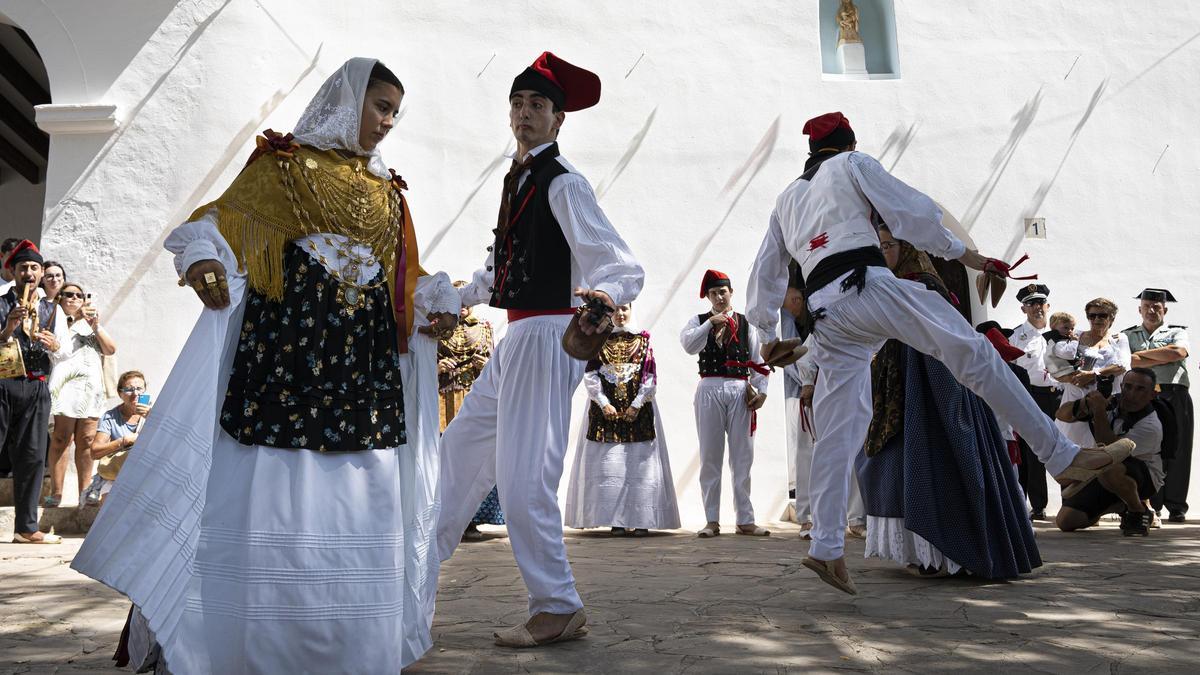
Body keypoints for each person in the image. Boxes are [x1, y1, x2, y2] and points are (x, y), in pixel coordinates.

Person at [71, 58, 459, 673]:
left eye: (394, 112)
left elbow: (403, 282)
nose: (387, 122)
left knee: (360, 497)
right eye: (380, 105)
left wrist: (434, 310)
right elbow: (212, 223)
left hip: (361, 375)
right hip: (285, 362)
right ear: (347, 98)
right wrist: (201, 260)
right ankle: (245, 643)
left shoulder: (390, 194)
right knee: (271, 492)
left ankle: (349, 647)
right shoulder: (284, 168)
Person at [745, 111, 1131, 595]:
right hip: (868, 288)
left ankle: (825, 547)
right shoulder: (852, 164)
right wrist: (966, 254)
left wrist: (763, 334)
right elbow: (909, 212)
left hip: (827, 315)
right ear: (848, 144)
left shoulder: (786, 200)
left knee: (839, 430)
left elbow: (765, 270)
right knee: (972, 352)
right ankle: (1059, 454)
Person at [436, 51, 644, 648]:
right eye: (518, 103)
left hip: (547, 336)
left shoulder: (563, 183)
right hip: (516, 338)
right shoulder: (517, 180)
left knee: (525, 478)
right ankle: (408, 580)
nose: (525, 114)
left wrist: (603, 298)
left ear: (558, 121)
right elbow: (500, 266)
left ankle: (556, 603)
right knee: (457, 459)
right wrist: (459, 299)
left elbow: (618, 261)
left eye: (538, 106)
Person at [855, 227, 1040, 578]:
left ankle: (947, 551)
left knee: (934, 461)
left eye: (889, 246)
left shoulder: (924, 286)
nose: (884, 253)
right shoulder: (891, 286)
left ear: (907, 247)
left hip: (929, 385)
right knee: (891, 467)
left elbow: (939, 342)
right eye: (880, 247)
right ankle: (920, 552)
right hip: (897, 388)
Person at [564, 303, 680, 536]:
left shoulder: (643, 341)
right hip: (604, 411)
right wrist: (603, 402)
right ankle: (615, 520)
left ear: (631, 310)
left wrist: (637, 404)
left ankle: (642, 520)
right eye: (615, 310)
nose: (620, 314)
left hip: (638, 409)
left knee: (639, 464)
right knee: (611, 464)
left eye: (624, 309)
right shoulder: (599, 340)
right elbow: (590, 373)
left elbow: (649, 376)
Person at [681, 270, 771, 538]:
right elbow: (688, 346)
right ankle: (711, 519)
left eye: (722, 292)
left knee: (743, 455)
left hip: (739, 388)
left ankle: (745, 518)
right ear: (707, 297)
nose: (719, 297)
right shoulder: (698, 322)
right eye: (713, 293)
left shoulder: (746, 324)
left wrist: (762, 391)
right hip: (709, 387)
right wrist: (710, 323)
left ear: (731, 292)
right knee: (710, 455)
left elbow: (759, 362)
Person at [1, 240, 68, 543]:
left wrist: (54, 346)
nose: (29, 273)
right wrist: (7, 328)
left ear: (41, 273)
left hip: (36, 385)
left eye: (34, 268)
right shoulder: (1, 303)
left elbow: (64, 351)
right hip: (3, 383)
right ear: (12, 271)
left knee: (31, 456)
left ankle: (26, 528)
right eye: (23, 267)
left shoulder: (52, 309)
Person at [1054, 368, 1164, 536]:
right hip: (1104, 473)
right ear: (1121, 386)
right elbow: (1062, 415)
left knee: (1109, 466)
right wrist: (1086, 403)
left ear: (1151, 395)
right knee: (1066, 521)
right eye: (1128, 387)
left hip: (1142, 478)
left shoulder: (1150, 426)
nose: (1132, 393)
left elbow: (1111, 449)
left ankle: (1137, 510)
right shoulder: (1112, 402)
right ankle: (1118, 504)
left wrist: (1098, 411)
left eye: (1140, 389)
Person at [438, 280, 503, 541]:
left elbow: (494, 361)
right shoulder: (440, 328)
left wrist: (484, 364)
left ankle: (474, 519)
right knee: (450, 452)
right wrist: (438, 366)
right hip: (445, 398)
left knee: (478, 453)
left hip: (476, 396)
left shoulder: (485, 329)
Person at [1125, 288, 1191, 524]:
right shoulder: (1127, 335)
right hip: (1142, 396)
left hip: (1174, 394)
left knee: (1177, 449)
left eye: (1157, 307)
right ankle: (1150, 503)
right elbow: (1127, 360)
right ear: (1139, 309)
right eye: (1147, 307)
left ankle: (1176, 506)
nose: (1151, 311)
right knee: (1143, 449)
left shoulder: (1177, 332)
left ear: (1165, 310)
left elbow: (1178, 352)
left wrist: (1141, 356)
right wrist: (1159, 356)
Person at [46, 282, 116, 506]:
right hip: (65, 386)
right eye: (68, 294)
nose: (74, 298)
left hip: (90, 387)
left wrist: (95, 325)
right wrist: (75, 320)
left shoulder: (91, 323)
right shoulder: (55, 319)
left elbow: (111, 349)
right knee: (60, 438)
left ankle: (84, 494)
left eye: (79, 295)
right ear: (60, 298)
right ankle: (56, 493)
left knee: (86, 440)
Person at [1008, 283, 1059, 520]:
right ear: (1023, 309)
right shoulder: (1016, 337)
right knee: (1031, 452)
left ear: (1048, 306)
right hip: (1031, 396)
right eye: (1031, 304)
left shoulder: (1063, 331)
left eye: (1040, 303)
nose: (1037, 308)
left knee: (1065, 446)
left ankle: (1074, 501)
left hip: (1059, 396)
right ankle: (1035, 505)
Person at [1053, 298, 1131, 447]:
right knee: (1072, 452)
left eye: (1102, 315)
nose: (1096, 319)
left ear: (1112, 318)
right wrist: (1072, 377)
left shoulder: (1119, 338)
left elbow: (1123, 366)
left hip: (1106, 404)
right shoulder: (1075, 335)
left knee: (1103, 453)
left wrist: (1094, 374)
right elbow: (1054, 366)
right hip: (1076, 401)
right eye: (1092, 315)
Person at [82, 370, 149, 506]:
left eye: (139, 389)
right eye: (129, 390)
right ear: (120, 394)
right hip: (118, 473)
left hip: (146, 473)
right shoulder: (110, 417)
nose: (135, 394)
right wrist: (123, 441)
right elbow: (95, 452)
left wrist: (150, 417)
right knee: (109, 506)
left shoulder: (155, 412)